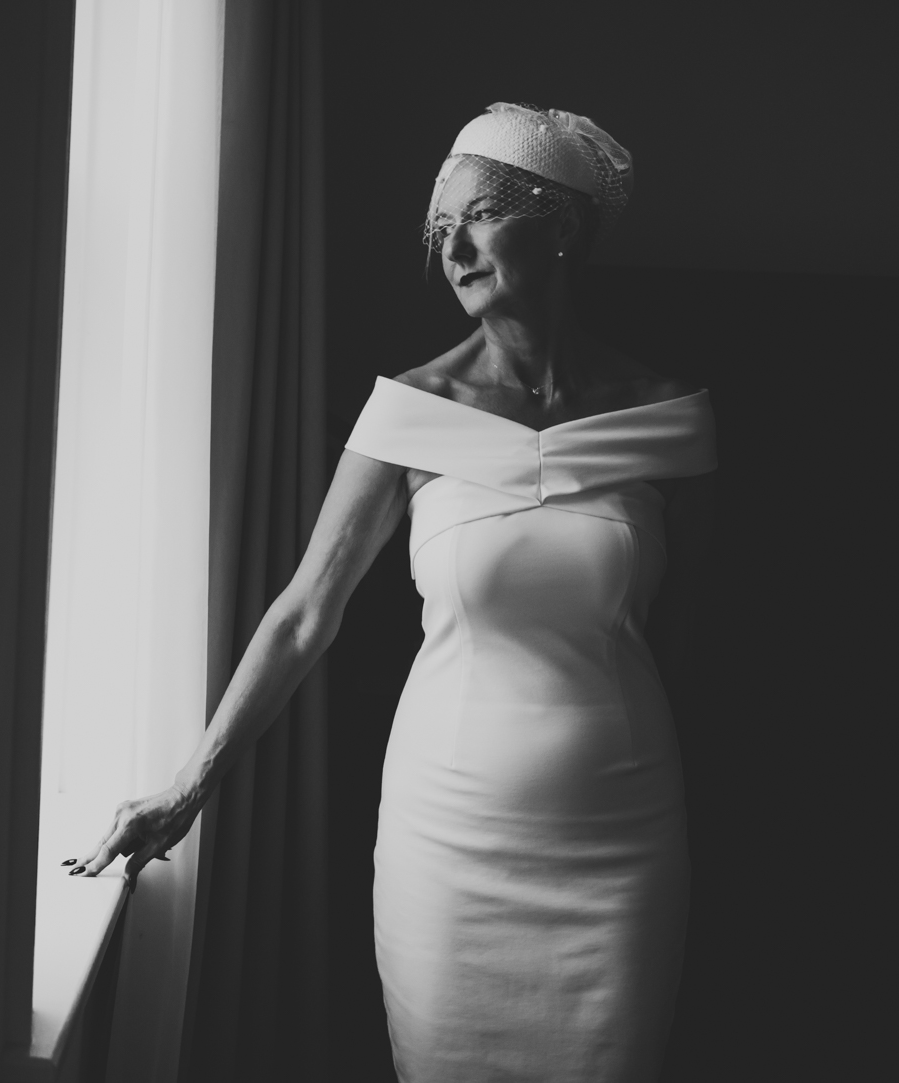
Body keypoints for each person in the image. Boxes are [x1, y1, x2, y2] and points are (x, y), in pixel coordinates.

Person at [69, 102, 717, 1080]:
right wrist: (185, 787)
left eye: (484, 214)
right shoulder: (408, 412)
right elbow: (302, 615)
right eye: (438, 227)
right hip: (446, 841)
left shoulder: (667, 417)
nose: (454, 245)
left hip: (621, 833)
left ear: (565, 226)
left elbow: (705, 637)